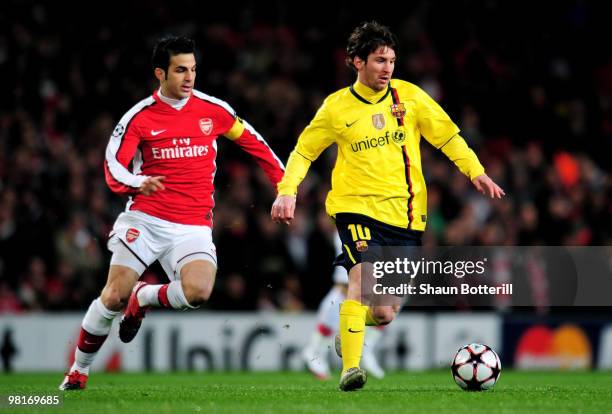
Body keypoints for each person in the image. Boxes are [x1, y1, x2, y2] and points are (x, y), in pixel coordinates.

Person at [271, 21, 504, 391]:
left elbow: (448, 136)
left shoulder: (408, 97)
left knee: (383, 311)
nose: (387, 68)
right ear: (357, 62)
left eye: (392, 61)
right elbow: (303, 152)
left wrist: (475, 171)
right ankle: (350, 368)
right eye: (379, 60)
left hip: (406, 218)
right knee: (359, 282)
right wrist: (288, 190)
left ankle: (349, 330)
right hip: (356, 210)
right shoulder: (335, 108)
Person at [60, 36, 284, 390]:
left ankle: (145, 296)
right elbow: (112, 165)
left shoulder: (214, 110)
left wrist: (283, 186)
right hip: (145, 220)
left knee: (198, 292)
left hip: (192, 225)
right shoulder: (139, 118)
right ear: (160, 73)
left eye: (193, 69)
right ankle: (79, 370)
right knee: (114, 294)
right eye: (181, 70)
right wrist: (136, 182)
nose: (190, 77)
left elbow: (253, 142)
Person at [301, 231, 386, 380]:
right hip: (354, 224)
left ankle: (364, 345)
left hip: (378, 224)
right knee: (348, 287)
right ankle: (315, 350)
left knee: (391, 288)